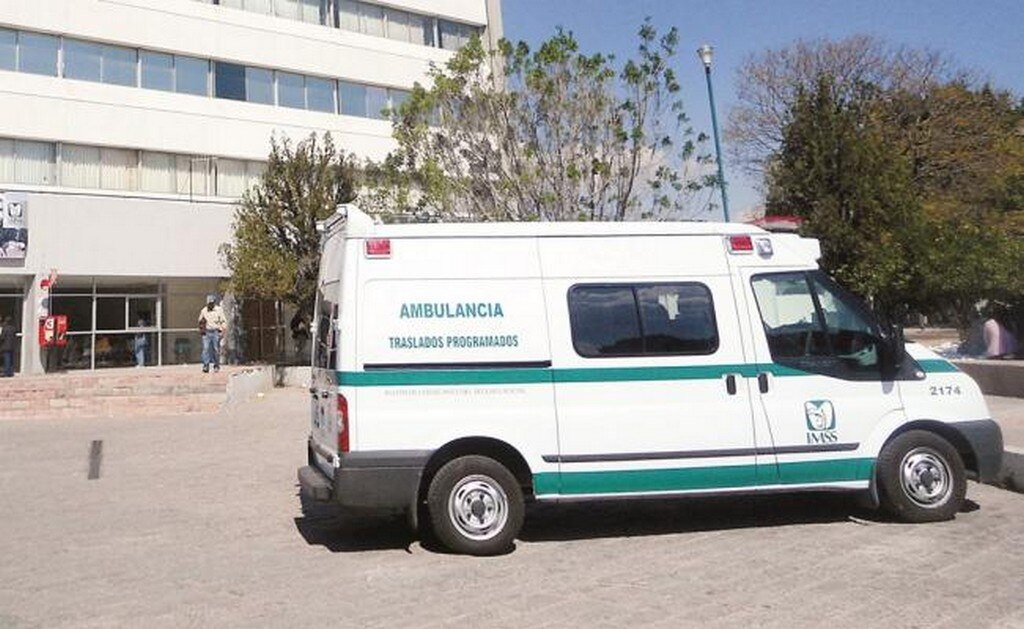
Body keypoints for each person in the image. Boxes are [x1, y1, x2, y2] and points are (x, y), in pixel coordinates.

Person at [198, 294, 227, 373]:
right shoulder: (204, 310)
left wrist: (223, 331)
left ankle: (216, 365)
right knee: (205, 349)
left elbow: (223, 321)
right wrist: (202, 328)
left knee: (216, 349)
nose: (210, 304)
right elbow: (200, 320)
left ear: (214, 302)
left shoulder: (219, 310)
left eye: (211, 303)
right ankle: (206, 365)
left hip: (215, 332)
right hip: (207, 332)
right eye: (208, 303)